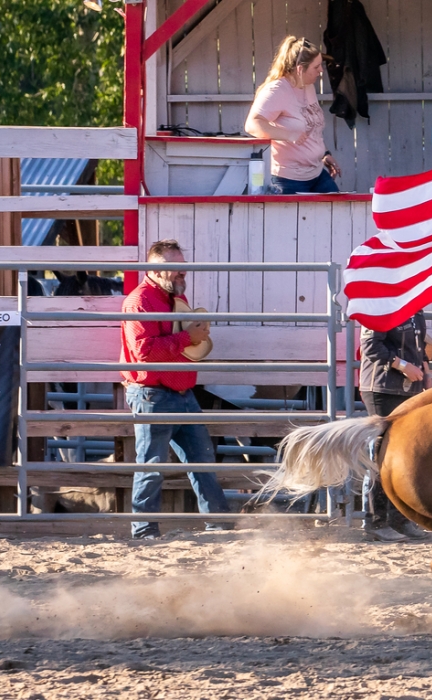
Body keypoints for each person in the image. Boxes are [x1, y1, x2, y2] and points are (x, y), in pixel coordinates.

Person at [123, 240, 232, 539]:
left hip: (177, 391)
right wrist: (188, 337)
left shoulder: (168, 298)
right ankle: (144, 529)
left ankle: (218, 524)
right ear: (157, 270)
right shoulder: (140, 301)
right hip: (154, 392)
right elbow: (144, 352)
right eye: (176, 268)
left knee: (199, 461)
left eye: (183, 266)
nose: (183, 273)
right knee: (153, 465)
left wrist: (190, 336)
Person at [358, 311, 432, 542]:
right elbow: (370, 346)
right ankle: (375, 520)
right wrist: (402, 366)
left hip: (406, 388)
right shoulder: (381, 306)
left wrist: (426, 373)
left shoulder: (414, 309)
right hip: (382, 389)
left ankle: (399, 520)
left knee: (402, 456)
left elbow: (420, 346)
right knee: (383, 455)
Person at [245, 37, 340, 194]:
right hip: (288, 179)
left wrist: (324, 153)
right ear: (300, 69)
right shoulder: (277, 90)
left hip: (316, 173)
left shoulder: (307, 86)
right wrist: (288, 134)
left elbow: (311, 126)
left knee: (338, 213)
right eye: (316, 67)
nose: (321, 71)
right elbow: (252, 124)